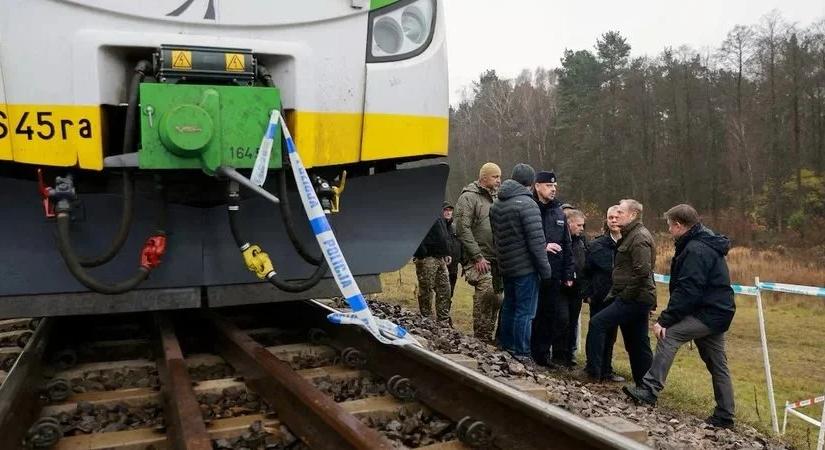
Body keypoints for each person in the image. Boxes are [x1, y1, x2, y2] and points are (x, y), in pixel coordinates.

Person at [623, 204, 736, 429]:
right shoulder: (702, 242)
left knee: (669, 335)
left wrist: (665, 320)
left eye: (669, 225)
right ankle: (725, 415)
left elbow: (689, 289)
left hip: (708, 312)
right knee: (718, 364)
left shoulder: (695, 249)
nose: (668, 230)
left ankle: (649, 389)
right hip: (717, 311)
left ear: (678, 225)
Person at [583, 199, 656, 386]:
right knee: (637, 342)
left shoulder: (639, 237)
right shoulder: (630, 235)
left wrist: (623, 294)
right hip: (633, 296)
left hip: (634, 298)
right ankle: (645, 385)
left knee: (598, 323)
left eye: (621, 212)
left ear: (632, 215)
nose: (617, 216)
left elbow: (642, 272)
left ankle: (593, 374)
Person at [489, 164, 553, 363]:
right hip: (525, 267)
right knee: (525, 311)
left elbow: (496, 237)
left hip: (506, 265)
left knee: (509, 306)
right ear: (531, 183)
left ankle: (506, 346)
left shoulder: (497, 203)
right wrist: (545, 270)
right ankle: (522, 353)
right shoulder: (527, 204)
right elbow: (536, 242)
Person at [454, 163, 503, 343]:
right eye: (495, 177)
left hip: (496, 258)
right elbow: (462, 228)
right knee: (486, 292)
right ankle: (480, 338)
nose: (498, 180)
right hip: (478, 258)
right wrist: (477, 256)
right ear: (483, 178)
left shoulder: (497, 199)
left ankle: (488, 336)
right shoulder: (468, 197)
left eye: (499, 177)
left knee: (498, 298)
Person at [530, 171, 574, 367]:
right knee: (532, 314)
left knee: (550, 315)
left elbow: (567, 244)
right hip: (532, 271)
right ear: (537, 186)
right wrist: (543, 247)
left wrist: (567, 273)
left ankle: (542, 355)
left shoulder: (558, 211)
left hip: (554, 274)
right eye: (549, 185)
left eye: (555, 186)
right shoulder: (530, 208)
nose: (553, 189)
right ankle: (526, 351)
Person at [583, 206, 625, 382]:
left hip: (619, 296)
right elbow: (586, 271)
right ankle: (593, 369)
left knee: (611, 335)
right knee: (596, 332)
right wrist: (588, 293)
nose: (613, 220)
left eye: (617, 217)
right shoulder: (596, 244)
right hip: (600, 295)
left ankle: (607, 369)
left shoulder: (630, 242)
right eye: (610, 217)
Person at [558, 208, 588, 368]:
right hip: (562, 288)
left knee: (572, 322)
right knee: (562, 319)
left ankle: (570, 355)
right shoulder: (561, 240)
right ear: (569, 224)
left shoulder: (582, 241)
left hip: (577, 289)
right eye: (579, 225)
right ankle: (559, 354)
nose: (582, 229)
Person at [413, 213, 452, 326]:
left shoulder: (437, 210)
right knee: (426, 289)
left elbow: (443, 233)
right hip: (427, 257)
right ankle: (427, 320)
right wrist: (421, 254)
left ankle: (443, 321)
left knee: (445, 289)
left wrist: (446, 251)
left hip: (440, 258)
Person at [442, 201, 462, 298]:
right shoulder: (436, 227)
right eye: (445, 210)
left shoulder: (455, 229)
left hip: (453, 268)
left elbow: (460, 246)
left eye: (450, 210)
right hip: (439, 266)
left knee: (450, 293)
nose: (448, 212)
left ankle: (446, 312)